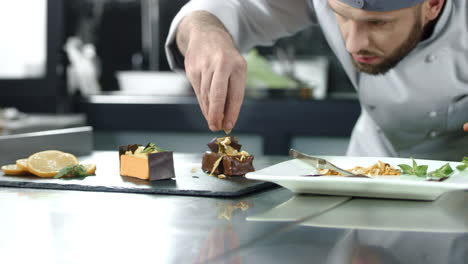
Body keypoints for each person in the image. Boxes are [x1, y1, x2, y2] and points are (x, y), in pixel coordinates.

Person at [165, 0, 468, 160]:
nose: (353, 44)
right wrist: (206, 33)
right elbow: (230, 7)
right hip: (372, 174)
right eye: (342, 16)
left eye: (378, 23)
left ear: (433, 4)